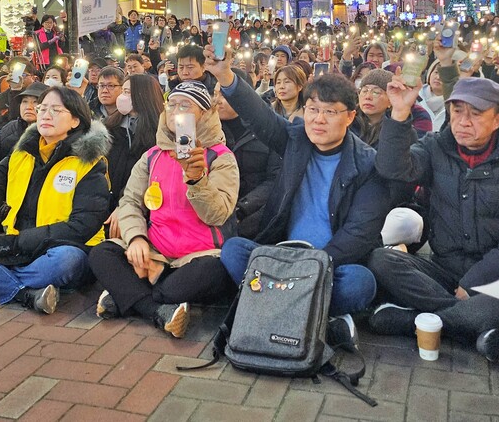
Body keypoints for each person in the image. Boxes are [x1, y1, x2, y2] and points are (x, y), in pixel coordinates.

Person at [205, 44, 388, 353]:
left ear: (350, 116)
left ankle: (273, 306)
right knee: (234, 250)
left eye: (330, 112)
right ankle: (317, 315)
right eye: (313, 110)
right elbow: (261, 117)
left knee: (361, 282)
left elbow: (360, 233)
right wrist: (225, 76)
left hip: (331, 264)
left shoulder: (367, 164)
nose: (319, 120)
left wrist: (314, 266)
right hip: (283, 256)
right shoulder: (296, 140)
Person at [367, 74, 499, 363]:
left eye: (476, 114)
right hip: (445, 271)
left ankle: (414, 322)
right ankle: (475, 327)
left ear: (498, 119)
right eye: (457, 111)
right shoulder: (437, 146)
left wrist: (472, 284)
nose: (463, 122)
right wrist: (400, 113)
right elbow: (393, 170)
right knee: (381, 260)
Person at [0, 86, 113, 314]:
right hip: (18, 247)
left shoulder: (89, 163)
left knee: (65, 260)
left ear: (75, 121)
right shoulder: (22, 153)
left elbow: (81, 227)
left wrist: (21, 242)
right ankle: (26, 293)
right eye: (42, 108)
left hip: (63, 248)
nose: (45, 115)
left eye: (56, 110)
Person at [89, 81, 239, 338]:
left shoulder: (220, 157)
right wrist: (136, 238)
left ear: (205, 113)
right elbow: (130, 202)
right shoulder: (152, 156)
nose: (175, 111)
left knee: (210, 273)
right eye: (171, 105)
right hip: (155, 251)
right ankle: (157, 310)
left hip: (199, 256)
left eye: (185, 106)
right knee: (101, 254)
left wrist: (196, 180)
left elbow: (217, 214)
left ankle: (127, 296)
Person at [215, 69, 280, 241]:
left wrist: (243, 208)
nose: (218, 101)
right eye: (215, 94)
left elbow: (275, 180)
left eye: (224, 95)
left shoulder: (268, 129)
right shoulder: (208, 132)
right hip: (216, 212)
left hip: (255, 213)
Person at [102, 74, 164, 211]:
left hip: (139, 205)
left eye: (127, 92)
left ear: (143, 95)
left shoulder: (160, 134)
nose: (122, 97)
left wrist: (123, 205)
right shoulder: (110, 128)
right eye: (122, 91)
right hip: (106, 203)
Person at [0, 82, 47, 166]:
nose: (28, 107)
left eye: (36, 102)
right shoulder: (11, 127)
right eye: (25, 101)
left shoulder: (50, 136)